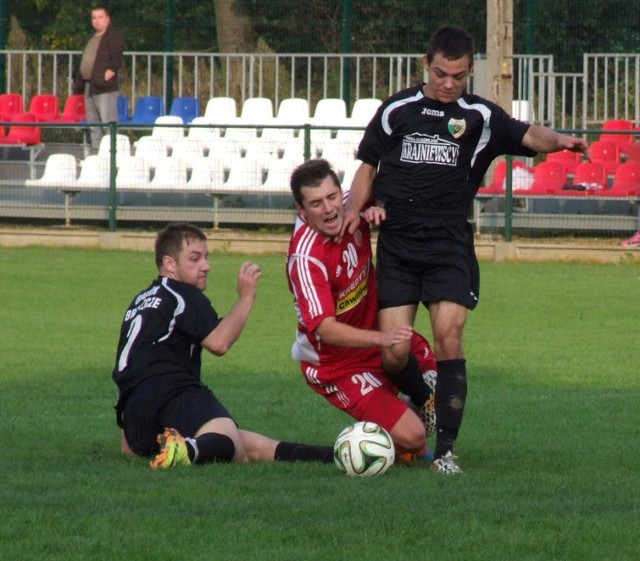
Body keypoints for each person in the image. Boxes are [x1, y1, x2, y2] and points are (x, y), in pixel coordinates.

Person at [342, 26, 590, 474]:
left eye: (458, 75)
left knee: (449, 336)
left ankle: (447, 451)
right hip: (397, 245)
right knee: (393, 353)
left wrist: (563, 142)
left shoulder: (479, 115)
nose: (449, 83)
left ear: (469, 70)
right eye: (441, 73)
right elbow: (367, 167)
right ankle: (425, 397)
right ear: (425, 64)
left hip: (449, 244)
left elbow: (528, 134)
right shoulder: (396, 109)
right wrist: (352, 212)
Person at [113, 222, 334, 468]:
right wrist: (246, 297)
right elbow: (219, 342)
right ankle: (186, 450)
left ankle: (335, 455)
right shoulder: (181, 293)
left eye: (206, 257)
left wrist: (131, 432)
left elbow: (135, 364)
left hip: (134, 413)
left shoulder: (141, 300)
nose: (206, 266)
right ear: (170, 264)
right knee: (231, 444)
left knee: (254, 447)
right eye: (194, 259)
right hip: (172, 392)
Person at [286, 158, 437, 460]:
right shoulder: (306, 258)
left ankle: (397, 432)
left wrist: (376, 204)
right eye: (316, 204)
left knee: (438, 384)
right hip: (336, 365)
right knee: (415, 435)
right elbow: (325, 329)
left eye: (332, 197)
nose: (329, 209)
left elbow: (377, 176)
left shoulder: (349, 208)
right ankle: (390, 446)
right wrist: (382, 340)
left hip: (377, 334)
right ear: (301, 211)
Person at [73, 5, 124, 151]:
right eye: (94, 18)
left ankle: (112, 158)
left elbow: (117, 59)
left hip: (104, 88)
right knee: (94, 125)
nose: (97, 21)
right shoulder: (92, 37)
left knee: (109, 125)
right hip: (90, 86)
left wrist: (107, 75)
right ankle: (97, 159)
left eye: (100, 17)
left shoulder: (113, 36)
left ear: (107, 19)